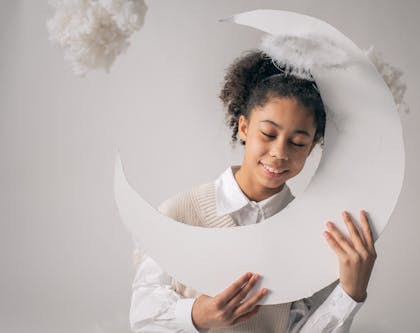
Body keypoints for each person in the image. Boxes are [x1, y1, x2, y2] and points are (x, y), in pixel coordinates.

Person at [129, 50, 377, 332]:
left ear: (312, 147)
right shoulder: (178, 213)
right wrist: (198, 314)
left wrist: (349, 295)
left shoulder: (314, 234)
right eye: (268, 134)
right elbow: (143, 318)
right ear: (244, 127)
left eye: (297, 142)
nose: (279, 152)